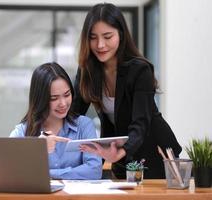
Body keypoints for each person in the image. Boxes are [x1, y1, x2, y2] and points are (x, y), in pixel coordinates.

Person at [72, 3, 182, 179]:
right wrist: (51, 134)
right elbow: (74, 114)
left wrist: (122, 152)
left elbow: (140, 123)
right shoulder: (88, 71)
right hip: (121, 153)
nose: (100, 45)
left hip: (154, 149)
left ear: (121, 35)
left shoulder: (140, 70)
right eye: (93, 37)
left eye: (108, 36)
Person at [10, 62, 102, 180]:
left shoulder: (84, 126)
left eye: (67, 94)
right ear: (40, 99)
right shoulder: (22, 132)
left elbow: (94, 170)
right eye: (54, 98)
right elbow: (11, 172)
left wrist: (49, 174)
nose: (63, 104)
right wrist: (37, 151)